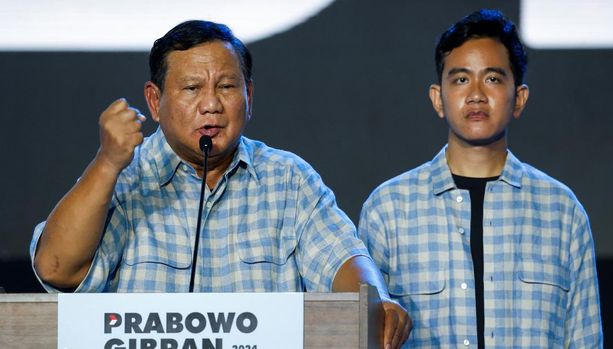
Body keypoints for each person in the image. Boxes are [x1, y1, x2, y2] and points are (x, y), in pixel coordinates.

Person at [30, 20, 411, 348]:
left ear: (249, 96)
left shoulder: (288, 179)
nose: (211, 104)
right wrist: (107, 162)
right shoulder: (125, 176)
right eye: (192, 88)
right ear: (154, 100)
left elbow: (344, 260)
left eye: (227, 87)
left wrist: (374, 303)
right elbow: (56, 268)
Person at [358, 9, 602, 348]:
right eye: (460, 79)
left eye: (492, 79)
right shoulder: (388, 210)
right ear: (437, 98)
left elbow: (585, 341)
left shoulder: (561, 211)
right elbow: (364, 336)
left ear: (519, 98)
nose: (475, 94)